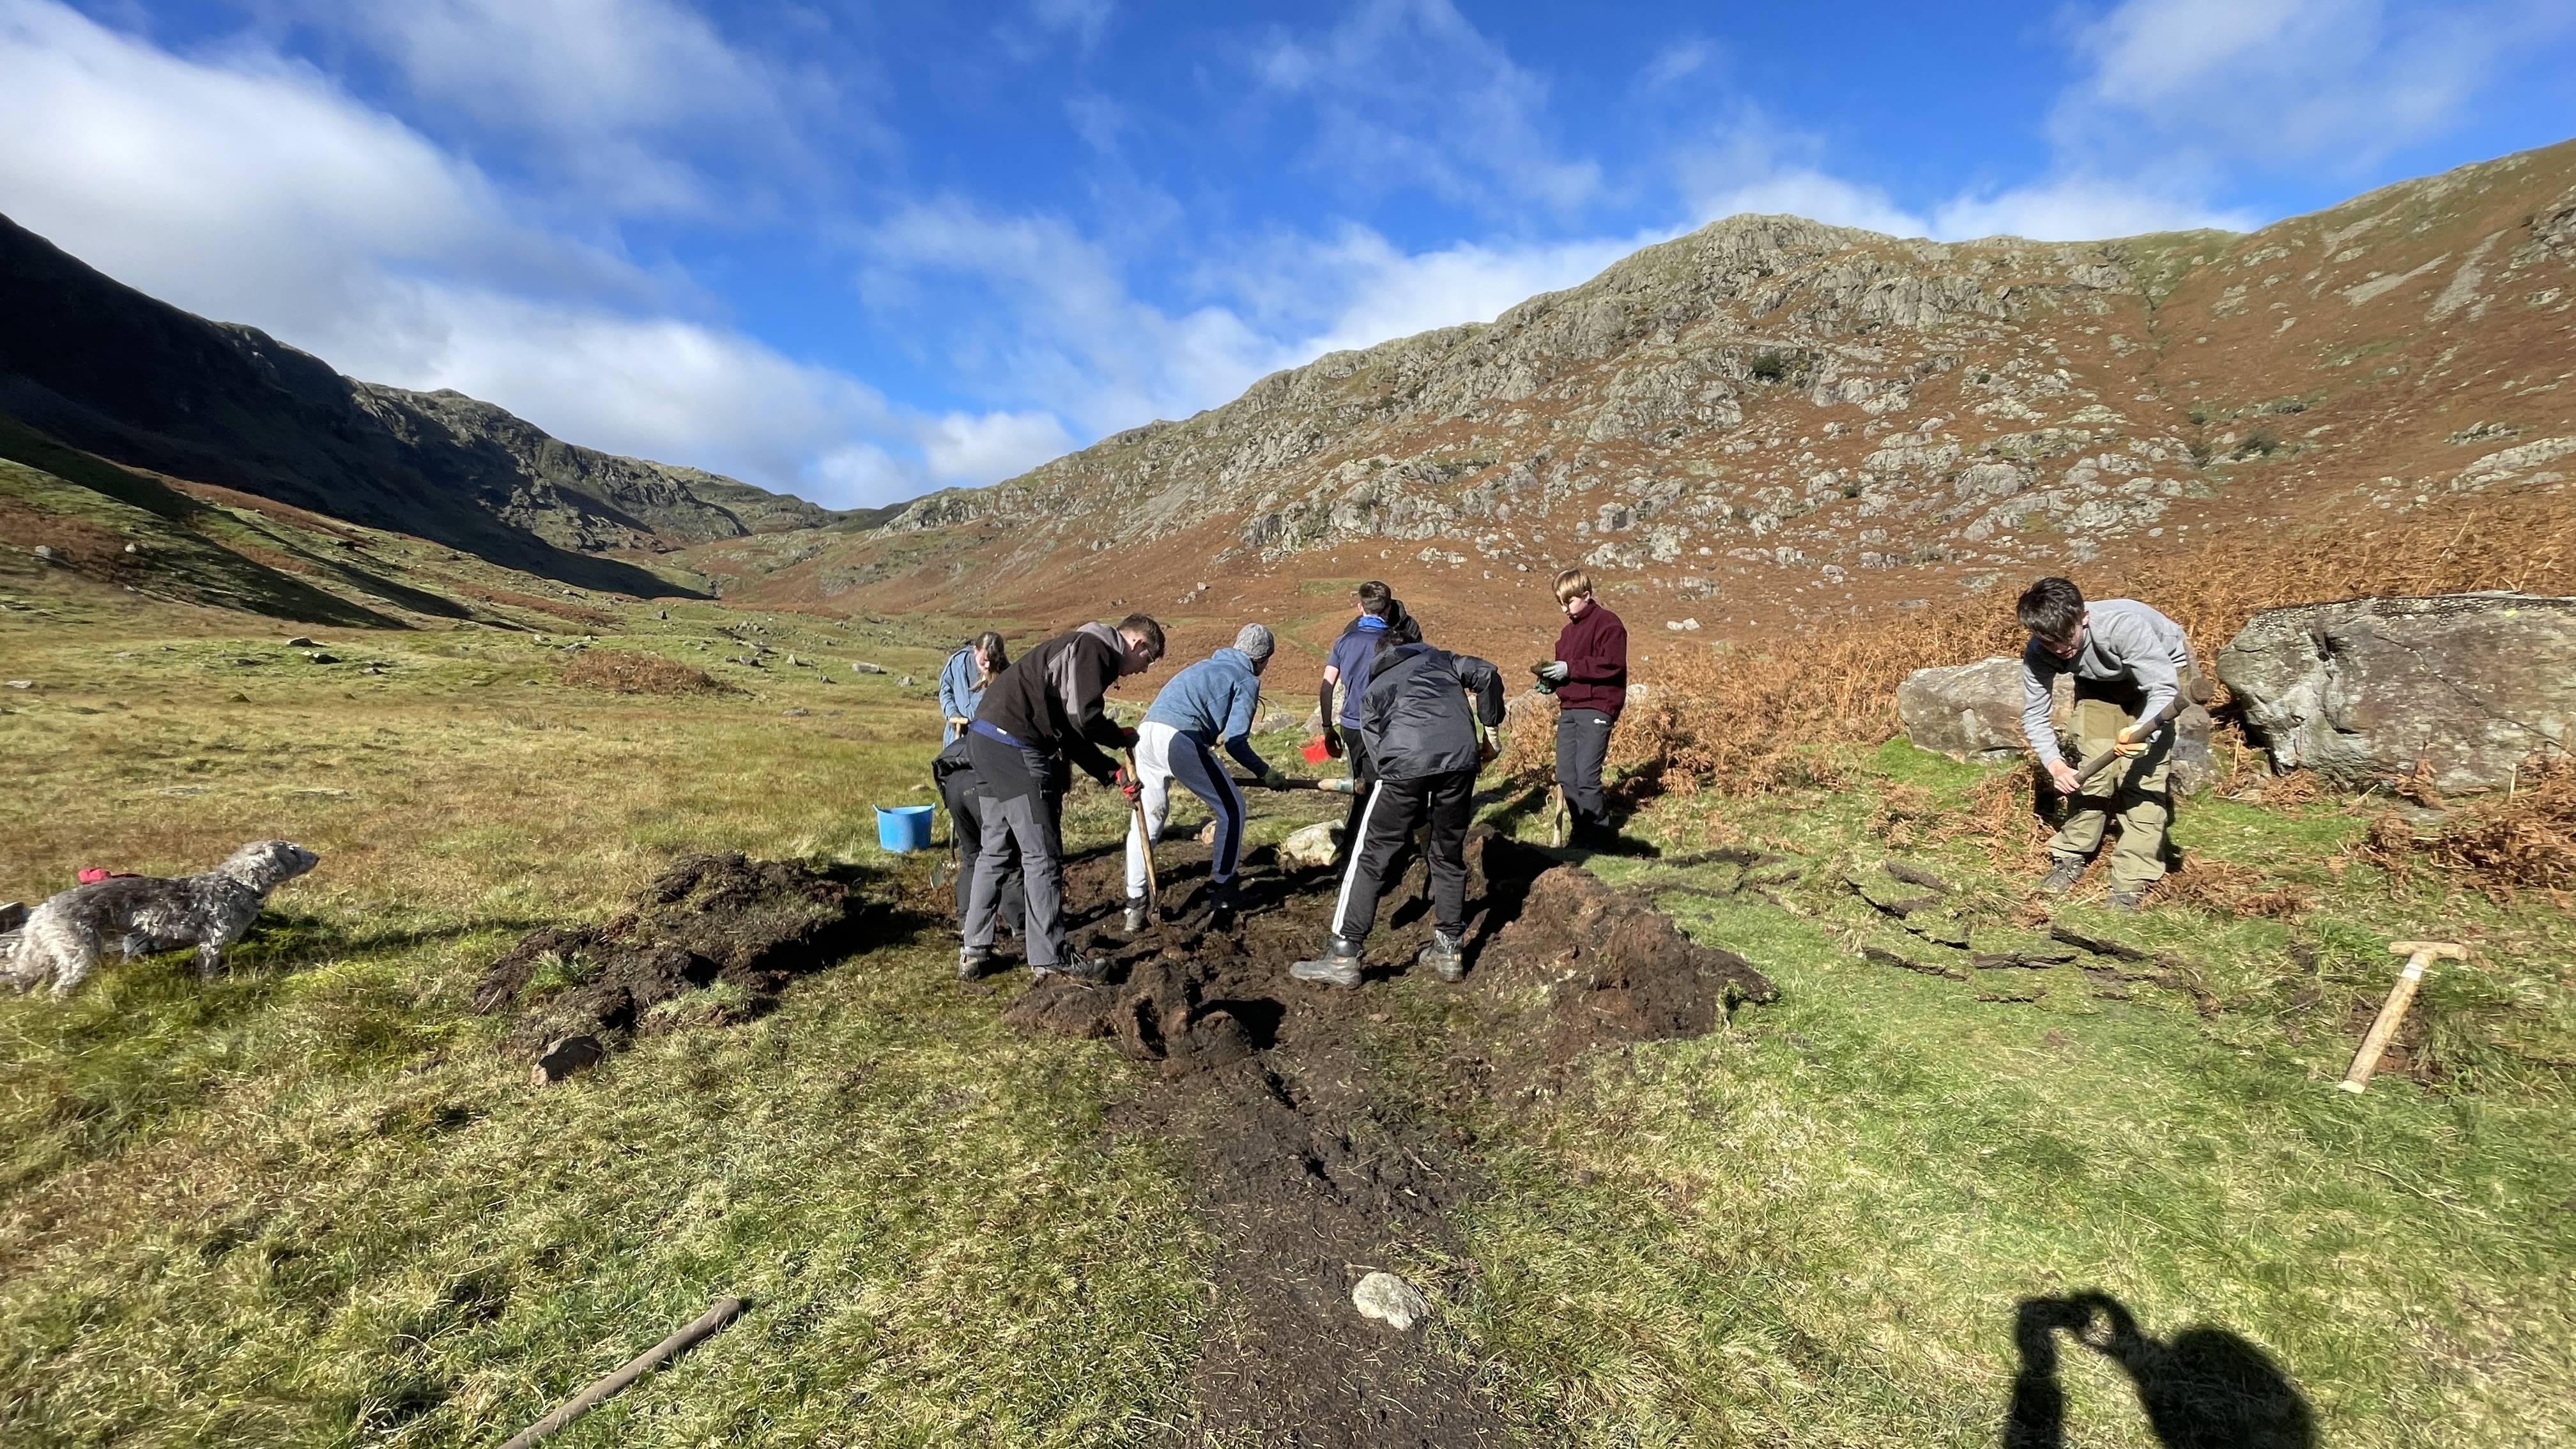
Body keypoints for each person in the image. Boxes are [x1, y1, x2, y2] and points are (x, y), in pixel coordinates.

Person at [1291, 629, 1505, 989]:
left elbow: (1375, 749)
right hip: (1461, 763)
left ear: (1380, 655)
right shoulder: (1444, 660)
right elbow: (1487, 674)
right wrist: (1492, 733)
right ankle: (1449, 950)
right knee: (1448, 852)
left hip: (1405, 767)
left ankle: (1344, 954)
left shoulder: (1375, 689)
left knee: (1369, 854)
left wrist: (1400, 791)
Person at [960, 613, 1165, 979]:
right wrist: (1119, 736)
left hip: (984, 739)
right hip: (1015, 744)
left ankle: (974, 950)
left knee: (997, 849)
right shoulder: (1096, 649)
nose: (1143, 672)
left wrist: (1111, 771)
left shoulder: (1075, 647)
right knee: (1043, 855)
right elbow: (1084, 718)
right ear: (1137, 645)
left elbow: (1069, 731)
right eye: (1147, 661)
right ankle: (1050, 958)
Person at [2017, 577, 2198, 911]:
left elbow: (2162, 688)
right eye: (2050, 642)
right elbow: (2034, 715)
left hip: (2163, 674)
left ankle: (2131, 879)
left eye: (2066, 638)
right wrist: (2055, 765)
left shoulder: (2122, 627)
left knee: (2143, 776)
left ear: (2083, 617)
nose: (2060, 649)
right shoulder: (2040, 650)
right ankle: (2071, 855)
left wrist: (2142, 730)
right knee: (2092, 771)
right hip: (2100, 683)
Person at [1124, 625, 1280, 932]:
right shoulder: (1246, 678)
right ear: (1262, 659)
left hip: (1145, 737)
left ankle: (1134, 904)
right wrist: (1265, 772)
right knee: (1232, 809)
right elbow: (1236, 742)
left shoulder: (1204, 666)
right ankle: (1224, 890)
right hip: (1180, 739)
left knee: (1149, 821)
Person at [1317, 581, 1421, 864]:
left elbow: (1327, 686)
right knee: (1382, 790)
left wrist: (1328, 728)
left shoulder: (1344, 640)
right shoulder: (1397, 641)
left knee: (1362, 785)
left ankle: (1354, 849)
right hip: (1385, 725)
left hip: (1351, 725)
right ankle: (1371, 853)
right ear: (1388, 609)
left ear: (1359, 607)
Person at [1533, 567, 1628, 847]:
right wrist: (1550, 682)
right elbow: (1568, 673)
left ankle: (1600, 837)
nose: (1565, 609)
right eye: (1560, 604)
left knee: (1587, 775)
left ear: (1586, 595)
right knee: (1566, 775)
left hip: (1597, 707)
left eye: (1569, 602)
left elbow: (1611, 665)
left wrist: (1569, 668)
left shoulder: (1609, 624)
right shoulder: (1565, 634)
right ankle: (1582, 832)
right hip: (1570, 709)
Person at [932, 733, 1023, 940]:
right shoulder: (1015, 731)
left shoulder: (982, 729)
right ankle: (1021, 926)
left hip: (953, 783)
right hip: (979, 782)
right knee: (1007, 856)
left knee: (972, 857)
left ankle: (966, 922)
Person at [939, 631, 1009, 744]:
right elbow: (946, 691)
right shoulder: (958, 662)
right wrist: (952, 714)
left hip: (985, 743)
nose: (988, 665)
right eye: (984, 660)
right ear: (976, 650)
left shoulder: (1006, 674)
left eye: (992, 661)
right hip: (955, 737)